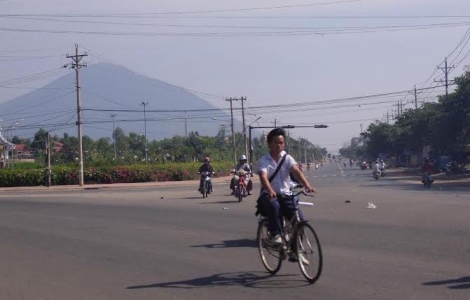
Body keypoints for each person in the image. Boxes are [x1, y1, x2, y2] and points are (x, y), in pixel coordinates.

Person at [257, 128, 317, 262]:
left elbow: (296, 171)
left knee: (299, 220)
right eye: (276, 142)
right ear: (269, 143)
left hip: (286, 194)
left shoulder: (287, 158)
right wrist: (270, 190)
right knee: (274, 206)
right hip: (269, 195)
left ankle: (295, 251)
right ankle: (275, 235)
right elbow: (263, 177)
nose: (279, 145)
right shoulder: (264, 161)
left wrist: (307, 184)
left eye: (281, 142)